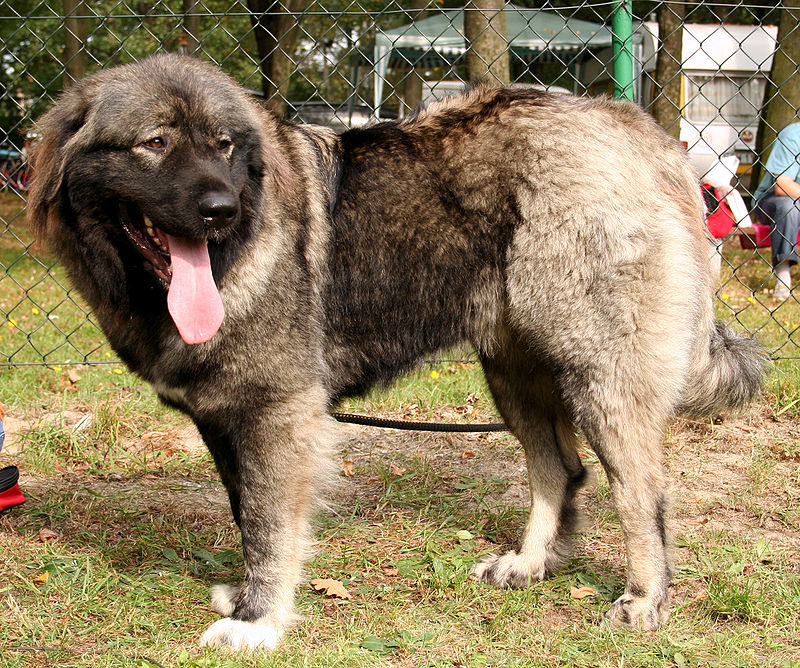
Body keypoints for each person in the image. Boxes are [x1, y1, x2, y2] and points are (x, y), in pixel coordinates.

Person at [753, 122, 800, 300]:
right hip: (773, 201)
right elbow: (782, 185)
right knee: (789, 206)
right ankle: (783, 276)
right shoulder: (793, 135)